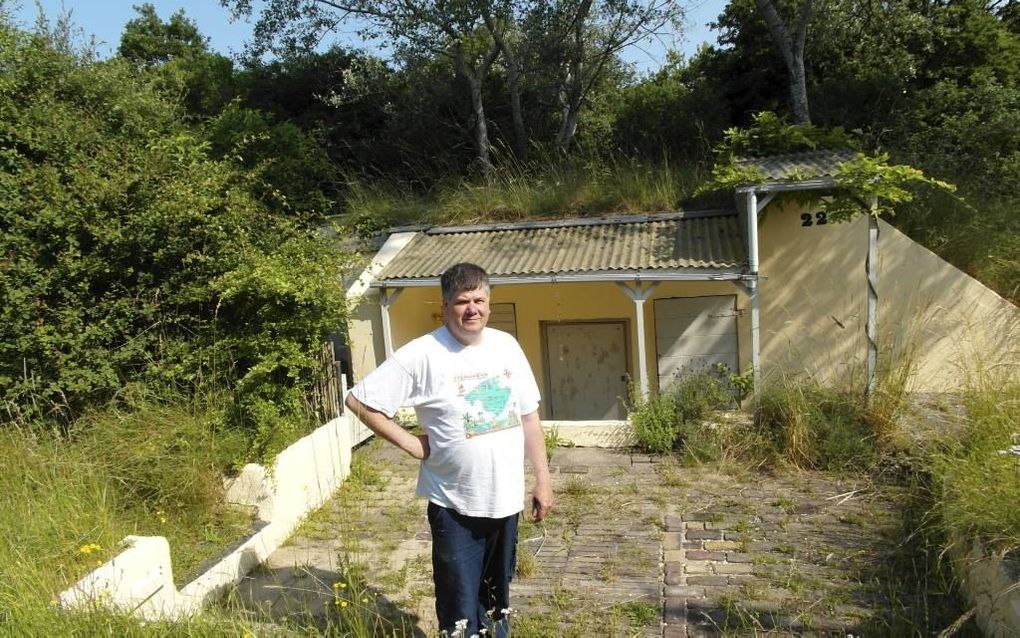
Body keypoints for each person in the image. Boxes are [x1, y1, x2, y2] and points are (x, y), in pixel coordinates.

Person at [345, 262, 554, 637]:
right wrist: (411, 443)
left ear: (489, 303)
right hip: (455, 506)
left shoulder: (507, 346)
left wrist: (543, 481)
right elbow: (360, 401)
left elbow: (529, 418)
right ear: (445, 307)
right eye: (462, 301)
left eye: (479, 299)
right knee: (458, 611)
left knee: (496, 599)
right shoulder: (422, 354)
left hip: (506, 502)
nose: (472, 308)